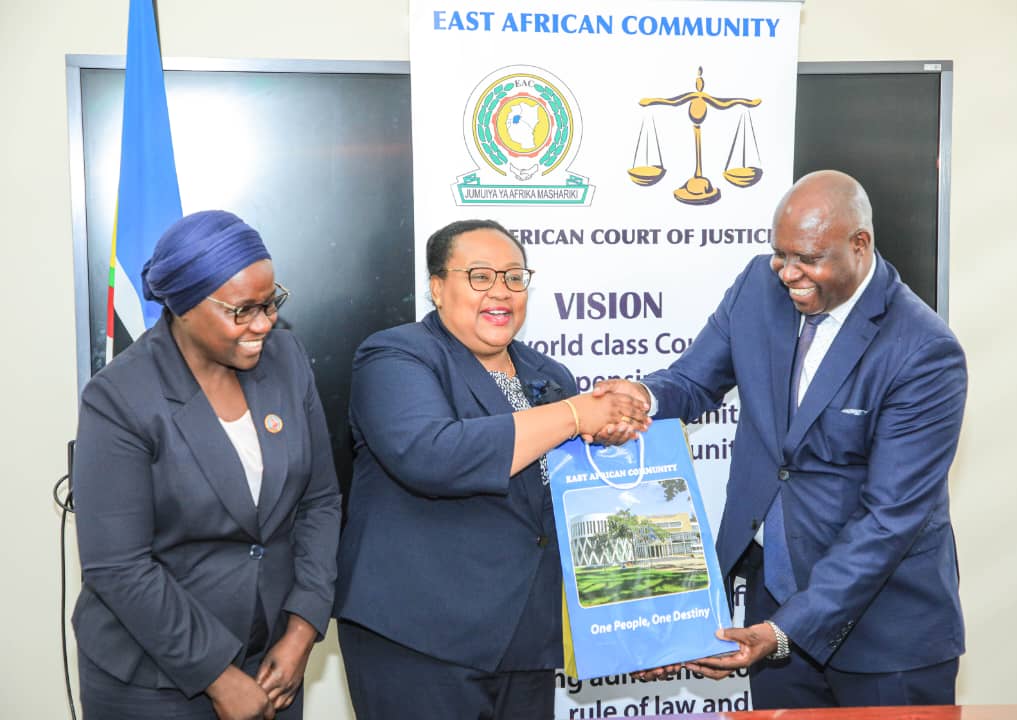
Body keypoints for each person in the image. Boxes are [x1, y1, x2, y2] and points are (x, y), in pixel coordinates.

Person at [598, 170, 967, 708]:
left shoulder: (923, 351)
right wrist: (641, 398)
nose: (788, 272)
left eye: (809, 259)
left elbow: (890, 518)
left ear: (859, 245)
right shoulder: (758, 286)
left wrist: (786, 629)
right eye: (780, 254)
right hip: (772, 611)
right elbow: (694, 380)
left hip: (888, 634)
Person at [333, 219, 649, 719]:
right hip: (420, 636)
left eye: (514, 277)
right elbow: (433, 455)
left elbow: (577, 505)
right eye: (479, 276)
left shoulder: (551, 376)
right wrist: (574, 416)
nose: (500, 292)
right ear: (437, 287)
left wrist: (633, 625)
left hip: (525, 637)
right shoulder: (396, 355)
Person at [72, 210, 341, 720]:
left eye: (270, 303)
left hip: (273, 662)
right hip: (154, 680)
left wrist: (302, 628)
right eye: (243, 310)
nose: (263, 323)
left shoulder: (285, 359)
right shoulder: (120, 398)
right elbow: (119, 567)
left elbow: (320, 502)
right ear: (184, 307)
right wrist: (217, 676)